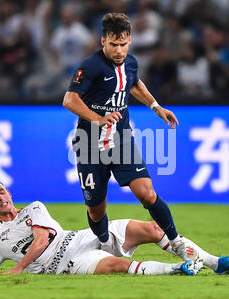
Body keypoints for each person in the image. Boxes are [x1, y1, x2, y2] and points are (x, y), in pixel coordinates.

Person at [62, 12, 193, 261]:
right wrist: (98, 118)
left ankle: (176, 242)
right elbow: (70, 99)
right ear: (103, 41)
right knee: (96, 210)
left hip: (121, 140)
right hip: (90, 144)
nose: (119, 50)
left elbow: (133, 84)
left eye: (123, 44)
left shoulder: (131, 63)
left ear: (129, 40)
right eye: (113, 44)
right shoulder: (90, 66)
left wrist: (157, 107)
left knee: (147, 193)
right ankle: (105, 245)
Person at [0, 179, 229, 276]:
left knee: (154, 229)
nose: (1, 198)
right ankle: (178, 270)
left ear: (9, 192)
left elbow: (40, 240)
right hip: (66, 264)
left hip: (80, 238)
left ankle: (214, 263)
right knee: (118, 265)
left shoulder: (34, 208)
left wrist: (19, 268)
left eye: (2, 192)